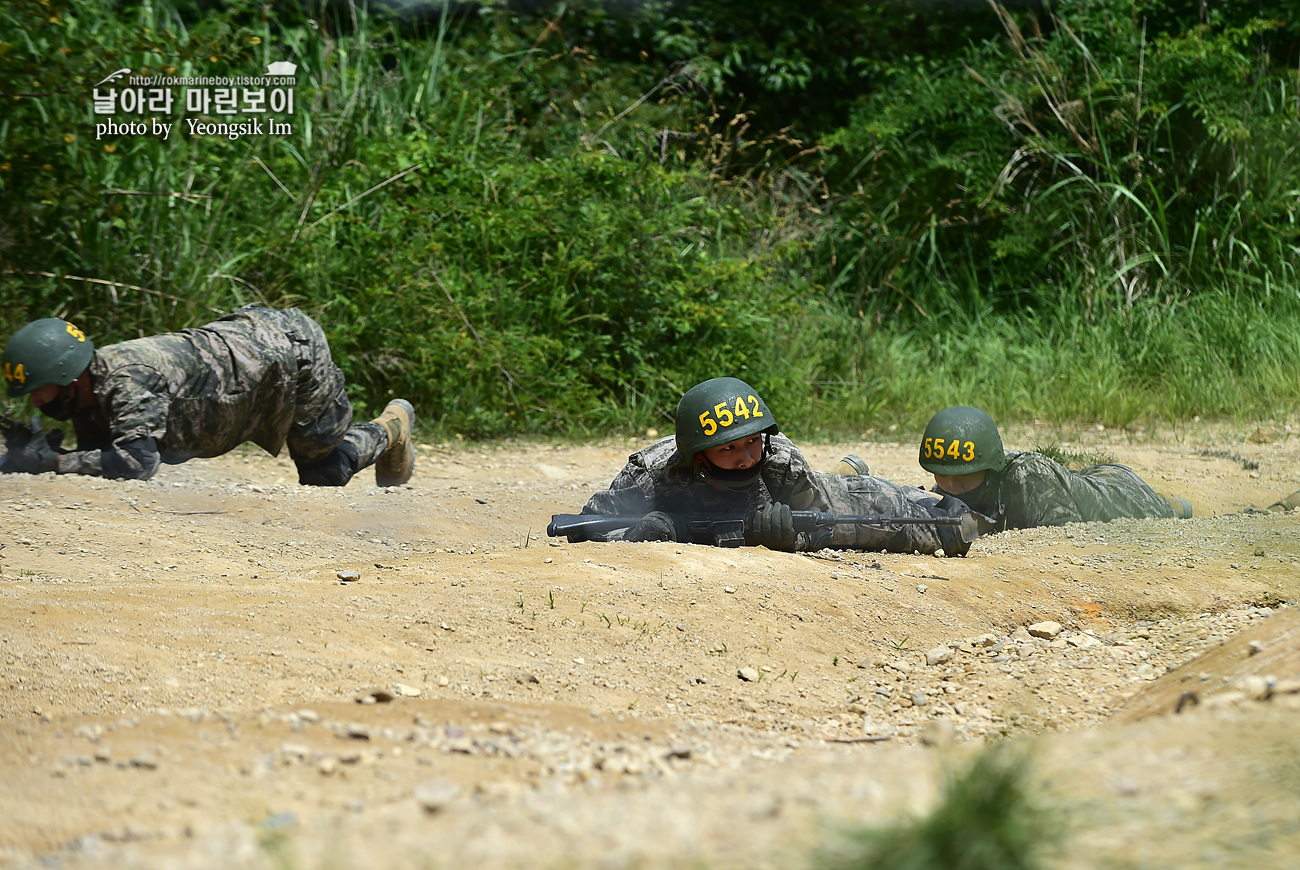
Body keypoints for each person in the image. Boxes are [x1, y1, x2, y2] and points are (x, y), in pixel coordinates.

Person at [1, 305, 414, 487]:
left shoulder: (126, 380)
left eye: (38, 391)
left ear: (68, 375)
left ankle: (392, 426)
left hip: (292, 353)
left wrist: (52, 462)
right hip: (250, 356)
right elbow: (102, 456)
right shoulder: (90, 387)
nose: (37, 402)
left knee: (325, 473)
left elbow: (134, 463)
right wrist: (29, 457)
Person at [578, 377, 975, 555]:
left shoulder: (779, 462)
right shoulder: (651, 475)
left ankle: (850, 470)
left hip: (818, 488)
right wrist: (635, 534)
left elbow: (828, 520)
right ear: (698, 455)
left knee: (859, 497)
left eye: (752, 441)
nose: (748, 457)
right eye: (729, 449)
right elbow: (586, 522)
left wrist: (793, 538)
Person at [917, 405, 1191, 531]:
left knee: (1162, 510)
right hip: (1079, 481)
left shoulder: (1029, 481)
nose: (951, 487)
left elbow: (1067, 534)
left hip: (1121, 493)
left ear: (989, 469)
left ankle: (1174, 504)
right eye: (942, 476)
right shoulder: (960, 474)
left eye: (962, 479)